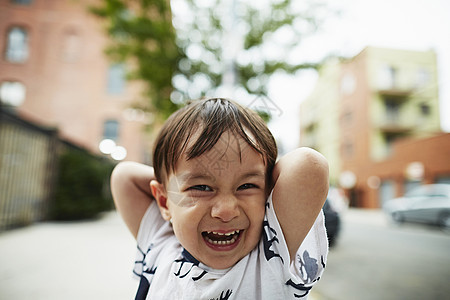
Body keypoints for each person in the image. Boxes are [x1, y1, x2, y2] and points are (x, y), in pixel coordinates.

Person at [111, 98, 329, 299]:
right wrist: (172, 189)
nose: (226, 210)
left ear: (269, 193)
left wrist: (184, 185)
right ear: (163, 202)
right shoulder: (162, 244)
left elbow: (309, 165)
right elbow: (123, 176)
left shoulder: (271, 259)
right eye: (202, 187)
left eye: (246, 186)